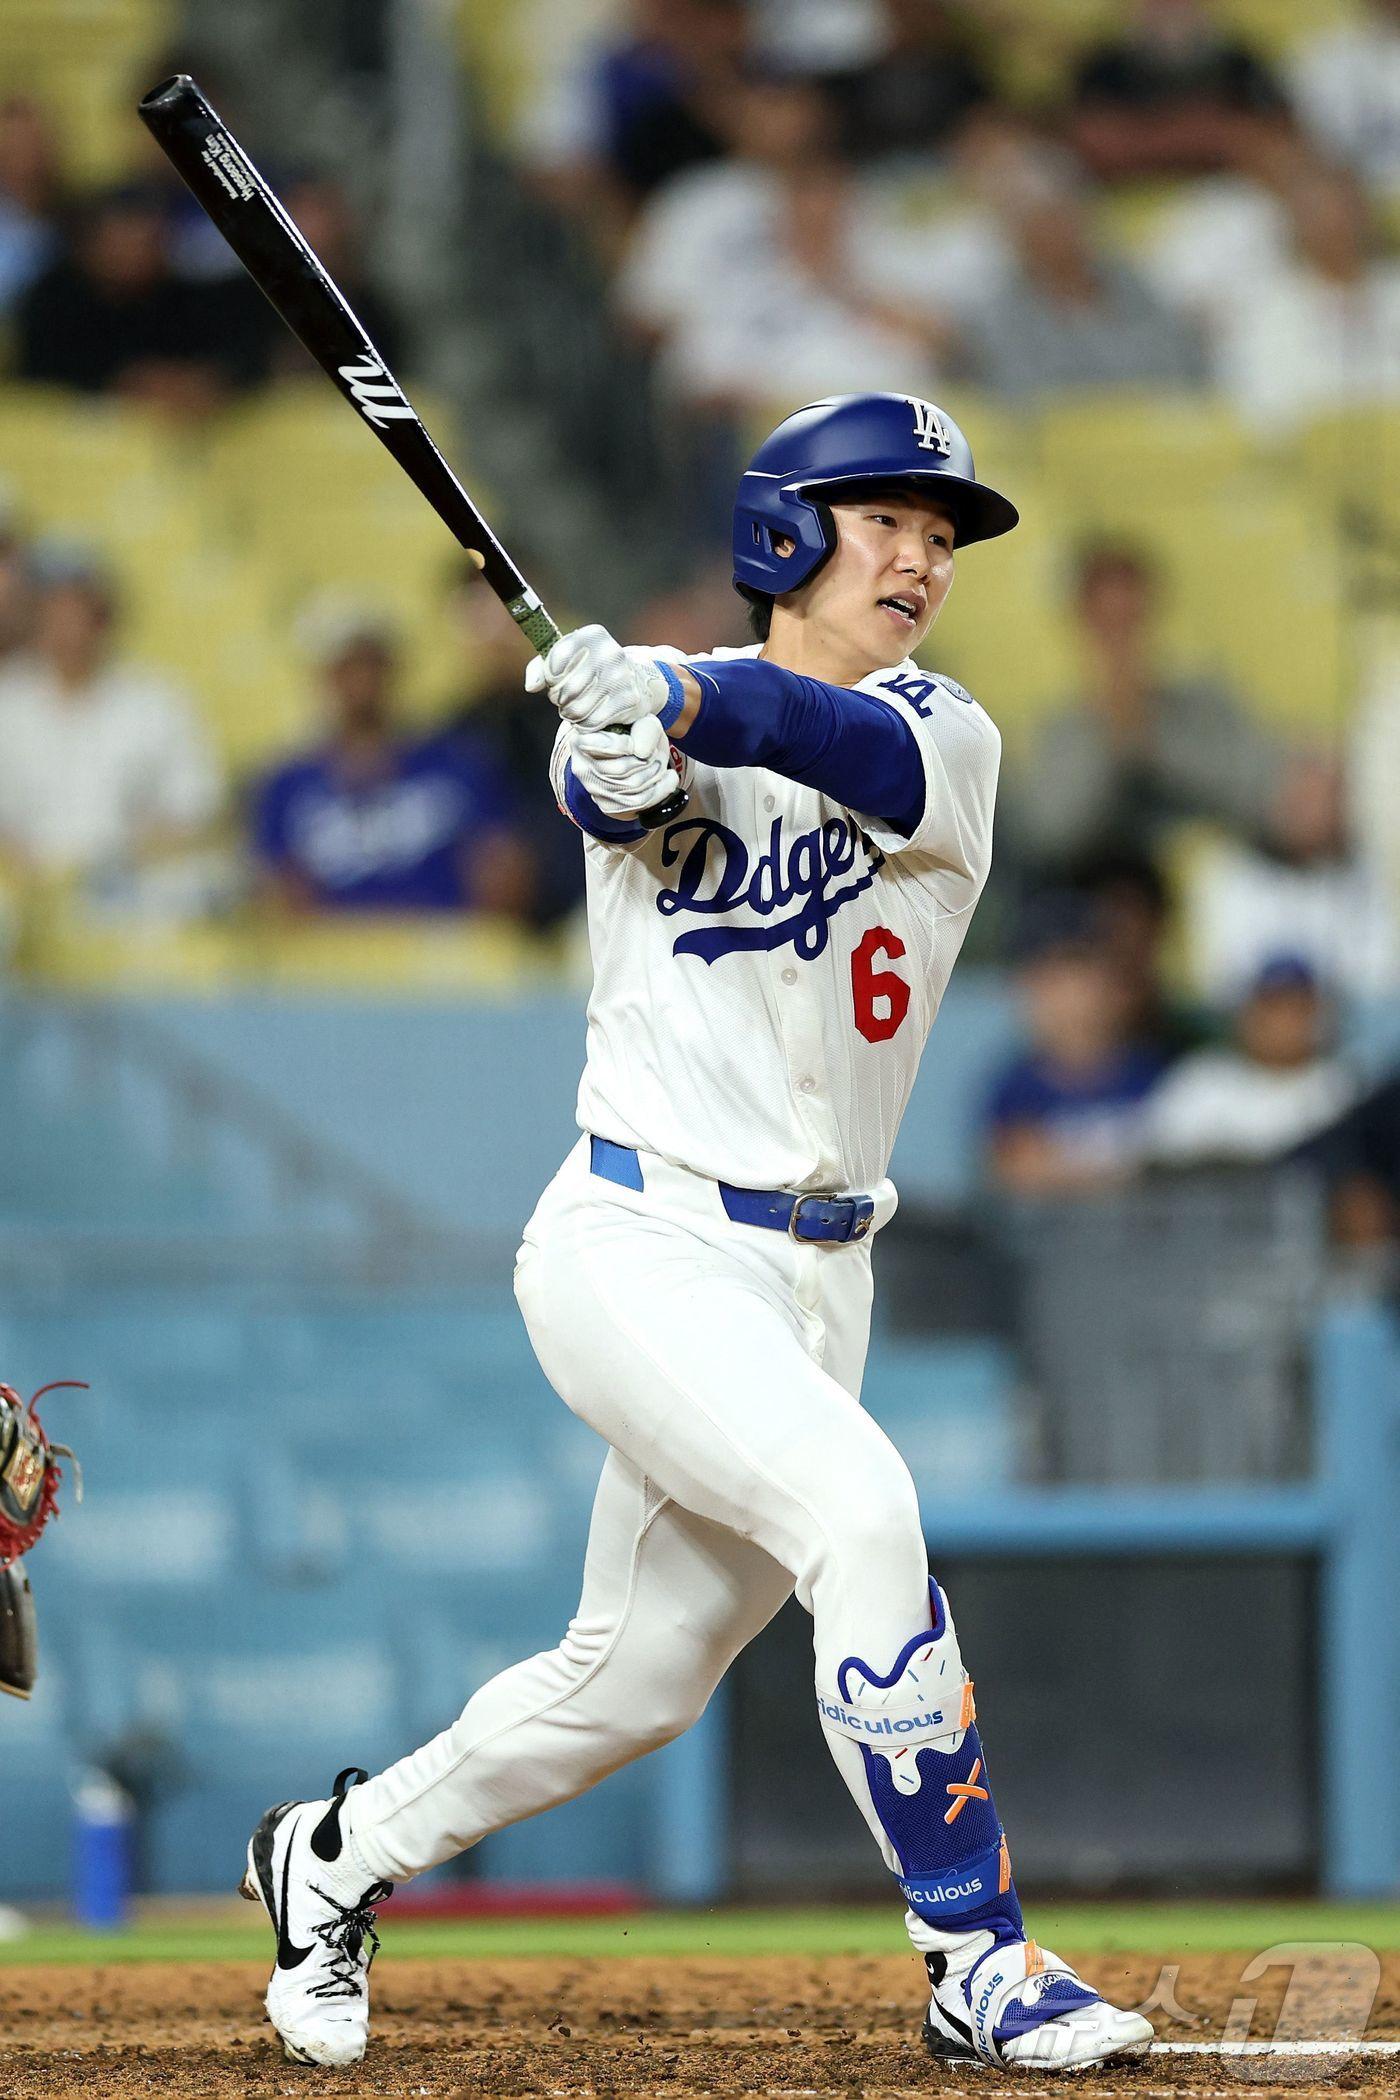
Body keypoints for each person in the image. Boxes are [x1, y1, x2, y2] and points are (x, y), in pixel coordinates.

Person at [238, 393, 1153, 2073]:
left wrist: (669, 683)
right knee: (863, 1513)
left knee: (634, 1682)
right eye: (886, 523)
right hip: (639, 1245)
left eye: (940, 539)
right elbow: (623, 796)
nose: (921, 561)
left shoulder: (948, 739)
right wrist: (615, 736)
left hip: (820, 1276)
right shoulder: (660, 730)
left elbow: (819, 739)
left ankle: (327, 1858)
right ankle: (977, 1961)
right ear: (786, 534)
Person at [1011, 538, 1284, 875]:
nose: (1121, 637)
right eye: (1107, 621)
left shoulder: (1205, 704)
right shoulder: (1062, 731)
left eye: (1131, 617)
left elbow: (1253, 794)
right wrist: (1110, 730)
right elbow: (1053, 834)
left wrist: (1150, 737)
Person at [250, 606, 531, 918]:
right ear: (324, 676)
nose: (361, 680)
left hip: (445, 947)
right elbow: (279, 895)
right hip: (333, 956)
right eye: (346, 667)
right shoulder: (286, 786)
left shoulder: (459, 763)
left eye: (372, 663)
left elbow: (504, 870)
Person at [0, 542, 222, 893]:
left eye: (77, 607)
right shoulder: (8, 701)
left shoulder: (157, 700)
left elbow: (194, 809)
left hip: (133, 890)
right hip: (26, 895)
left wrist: (125, 860)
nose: (66, 622)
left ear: (103, 614)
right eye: (53, 607)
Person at [14, 181, 270, 415]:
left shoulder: (181, 295)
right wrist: (119, 382)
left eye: (150, 238)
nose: (142, 248)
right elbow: (40, 376)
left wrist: (201, 379)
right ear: (89, 246)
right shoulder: (52, 298)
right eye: (126, 237)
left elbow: (236, 354)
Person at [984, 895, 1168, 1197]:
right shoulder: (1016, 1087)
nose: (1067, 999)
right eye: (1049, 981)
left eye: (1080, 976)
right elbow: (1018, 1175)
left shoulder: (1152, 1074)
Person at [1211, 159, 1400, 435]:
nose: (1336, 221)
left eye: (1346, 205)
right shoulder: (1269, 309)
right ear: (1294, 220)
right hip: (1312, 457)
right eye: (1319, 209)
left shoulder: (1393, 290)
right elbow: (1266, 408)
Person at [1144, 956, 1355, 1167]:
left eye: (1297, 1008)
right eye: (1272, 1006)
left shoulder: (1340, 1088)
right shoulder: (1201, 1081)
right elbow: (1149, 1151)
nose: (1283, 1021)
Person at [1068, 0, 1289, 183]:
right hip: (1123, 202)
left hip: (1229, 196)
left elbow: (1273, 141)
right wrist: (1209, 134)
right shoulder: (1103, 68)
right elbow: (1097, 148)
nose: (1170, 8)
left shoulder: (1239, 63)